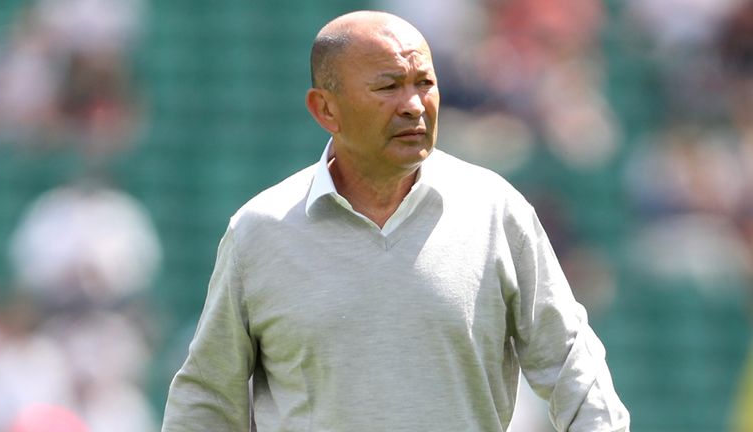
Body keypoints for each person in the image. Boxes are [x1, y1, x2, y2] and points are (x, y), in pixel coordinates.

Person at [161, 10, 630, 432]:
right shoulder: (259, 231)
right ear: (325, 109)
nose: (412, 104)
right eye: (388, 86)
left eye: (424, 82)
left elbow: (575, 370)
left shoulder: (496, 211)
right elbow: (205, 400)